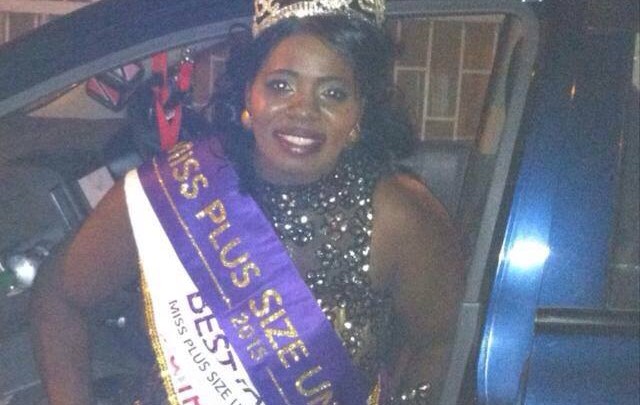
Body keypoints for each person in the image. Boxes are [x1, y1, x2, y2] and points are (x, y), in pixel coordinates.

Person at [30, 0, 464, 404]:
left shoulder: (400, 216)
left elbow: (442, 342)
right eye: (281, 85)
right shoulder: (180, 186)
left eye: (333, 93)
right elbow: (59, 296)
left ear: (359, 113)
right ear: (248, 96)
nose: (303, 110)